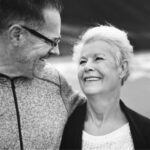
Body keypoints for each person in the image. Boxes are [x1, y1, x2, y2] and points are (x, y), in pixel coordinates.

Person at [0, 0, 84, 149]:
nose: (56, 51)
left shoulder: (55, 80)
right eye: (52, 41)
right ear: (17, 35)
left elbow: (100, 114)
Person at [60, 25, 150, 149]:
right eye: (82, 61)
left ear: (122, 68)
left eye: (98, 58)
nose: (87, 67)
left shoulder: (146, 131)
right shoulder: (61, 129)